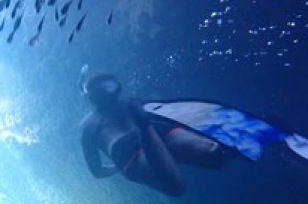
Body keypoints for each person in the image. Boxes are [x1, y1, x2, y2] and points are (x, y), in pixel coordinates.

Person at [80, 73, 231, 196]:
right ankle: (145, 127)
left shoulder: (87, 126)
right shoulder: (130, 103)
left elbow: (97, 171)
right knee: (214, 153)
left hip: (125, 151)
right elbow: (174, 112)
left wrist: (116, 167)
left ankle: (144, 129)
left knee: (175, 187)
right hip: (156, 130)